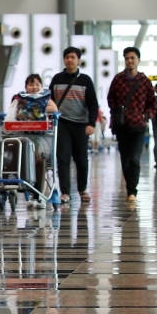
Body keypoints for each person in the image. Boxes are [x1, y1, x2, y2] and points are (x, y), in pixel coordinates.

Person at [106, 46, 157, 205]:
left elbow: (152, 103)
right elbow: (111, 98)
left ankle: (132, 191)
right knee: (125, 159)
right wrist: (117, 111)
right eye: (127, 58)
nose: (129, 61)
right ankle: (130, 188)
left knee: (134, 158)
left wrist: (145, 115)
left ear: (138, 60)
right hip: (122, 125)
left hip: (139, 126)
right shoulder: (118, 79)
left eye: (132, 58)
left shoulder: (144, 81)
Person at [49, 46, 99, 205]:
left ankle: (82, 189)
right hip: (62, 123)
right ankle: (65, 191)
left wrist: (91, 123)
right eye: (67, 57)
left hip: (81, 124)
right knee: (63, 158)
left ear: (79, 61)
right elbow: (49, 100)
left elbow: (93, 104)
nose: (69, 60)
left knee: (81, 159)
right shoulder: (57, 79)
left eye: (73, 57)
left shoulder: (85, 80)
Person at [10, 73, 58, 196]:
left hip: (39, 135)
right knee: (25, 155)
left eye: (37, 84)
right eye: (31, 84)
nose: (35, 87)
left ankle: (35, 189)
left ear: (41, 86)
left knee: (38, 158)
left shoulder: (45, 98)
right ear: (26, 87)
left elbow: (54, 109)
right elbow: (13, 111)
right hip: (22, 134)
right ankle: (28, 183)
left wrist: (35, 109)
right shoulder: (18, 97)